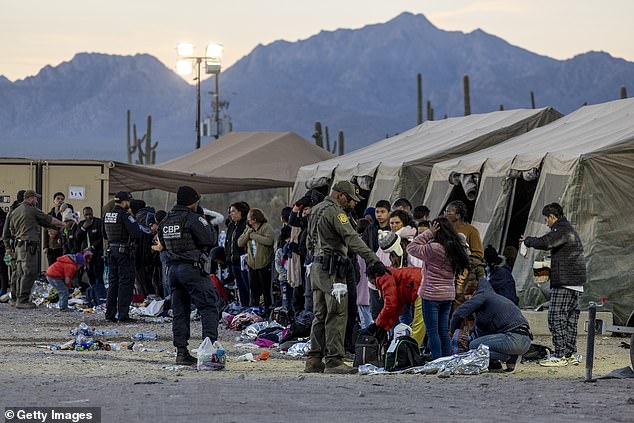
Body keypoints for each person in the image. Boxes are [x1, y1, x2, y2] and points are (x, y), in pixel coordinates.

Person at [304, 180, 387, 374]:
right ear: (341, 195)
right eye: (350, 199)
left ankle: (314, 359)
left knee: (320, 315)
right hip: (332, 269)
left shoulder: (316, 209)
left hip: (317, 267)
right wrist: (373, 259)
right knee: (337, 314)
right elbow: (351, 238)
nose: (352, 203)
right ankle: (334, 360)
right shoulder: (336, 212)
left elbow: (310, 240)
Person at [158, 185, 219, 365]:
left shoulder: (166, 220)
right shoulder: (193, 218)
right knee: (209, 306)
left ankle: (181, 352)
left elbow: (162, 241)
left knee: (180, 312)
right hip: (192, 269)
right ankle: (209, 352)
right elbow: (210, 239)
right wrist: (203, 220)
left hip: (172, 271)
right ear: (193, 202)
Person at [521, 202, 586, 367]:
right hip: (576, 283)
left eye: (546, 219)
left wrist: (528, 241)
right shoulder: (569, 230)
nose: (546, 223)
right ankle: (570, 354)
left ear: (552, 217)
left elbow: (546, 242)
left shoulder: (561, 229)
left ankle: (559, 355)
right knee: (570, 319)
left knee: (555, 317)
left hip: (564, 282)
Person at [407, 217, 469, 359]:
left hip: (431, 295)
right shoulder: (455, 247)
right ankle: (447, 359)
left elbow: (411, 248)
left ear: (436, 229)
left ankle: (437, 360)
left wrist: (429, 233)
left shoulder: (434, 248)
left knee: (432, 332)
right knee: (443, 330)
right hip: (448, 295)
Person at [450, 278, 532, 372]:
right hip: (525, 340)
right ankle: (497, 363)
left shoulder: (482, 296)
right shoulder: (495, 299)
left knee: (474, 346)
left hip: (513, 339)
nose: (467, 298)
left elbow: (459, 313)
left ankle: (509, 358)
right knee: (482, 343)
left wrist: (452, 332)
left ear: (475, 291)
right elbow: (485, 331)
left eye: (468, 294)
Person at [6, 190, 63, 308]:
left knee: (20, 273)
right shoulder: (31, 209)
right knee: (29, 272)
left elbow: (10, 230)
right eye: (35, 199)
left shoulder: (15, 211)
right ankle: (23, 300)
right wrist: (63, 224)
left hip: (19, 246)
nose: (37, 201)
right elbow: (48, 219)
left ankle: (16, 298)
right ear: (30, 198)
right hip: (28, 246)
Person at [103, 191, 144, 322]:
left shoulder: (107, 215)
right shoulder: (125, 215)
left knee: (113, 283)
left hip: (111, 252)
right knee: (125, 283)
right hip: (123, 253)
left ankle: (109, 314)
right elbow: (137, 233)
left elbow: (104, 234)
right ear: (125, 201)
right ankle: (123, 315)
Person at [365, 266, 426, 347]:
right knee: (438, 327)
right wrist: (385, 327)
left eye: (373, 283)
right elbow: (396, 308)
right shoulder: (392, 275)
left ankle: (411, 352)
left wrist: (377, 325)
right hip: (423, 283)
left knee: (418, 328)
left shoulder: (383, 278)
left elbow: (390, 305)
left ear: (375, 276)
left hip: (420, 287)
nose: (375, 287)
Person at [238, 208, 275, 310]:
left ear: (255, 219)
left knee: (266, 291)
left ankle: (268, 311)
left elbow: (269, 241)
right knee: (253, 291)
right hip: (252, 265)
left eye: (249, 219)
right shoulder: (248, 229)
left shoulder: (266, 227)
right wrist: (248, 233)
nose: (248, 221)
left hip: (264, 264)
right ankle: (254, 311)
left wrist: (253, 236)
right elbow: (240, 242)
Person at [75, 206, 105, 305]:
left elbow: (102, 238)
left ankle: (100, 296)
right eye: (86, 215)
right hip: (85, 255)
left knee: (98, 274)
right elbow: (77, 238)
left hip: (96, 253)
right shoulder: (81, 224)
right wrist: (84, 228)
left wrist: (92, 247)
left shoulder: (98, 222)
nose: (88, 217)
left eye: (90, 214)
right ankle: (92, 295)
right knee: (89, 274)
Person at [1, 190, 25, 304]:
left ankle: (18, 296)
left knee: (21, 271)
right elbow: (6, 231)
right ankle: (15, 297)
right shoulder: (13, 212)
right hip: (15, 246)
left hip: (21, 246)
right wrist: (8, 247)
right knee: (16, 271)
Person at [225, 202, 250, 306]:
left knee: (247, 285)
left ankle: (250, 306)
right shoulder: (231, 226)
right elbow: (227, 243)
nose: (231, 214)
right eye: (230, 212)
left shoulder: (246, 225)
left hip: (243, 261)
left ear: (241, 212)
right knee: (240, 286)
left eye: (234, 211)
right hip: (233, 261)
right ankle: (244, 306)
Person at [43, 192, 65, 266]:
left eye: (62, 199)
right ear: (54, 200)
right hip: (51, 246)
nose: (60, 201)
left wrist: (57, 232)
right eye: (58, 199)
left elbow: (67, 229)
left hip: (61, 246)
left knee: (60, 267)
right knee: (51, 267)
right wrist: (45, 246)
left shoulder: (65, 215)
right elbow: (45, 231)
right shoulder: (49, 215)